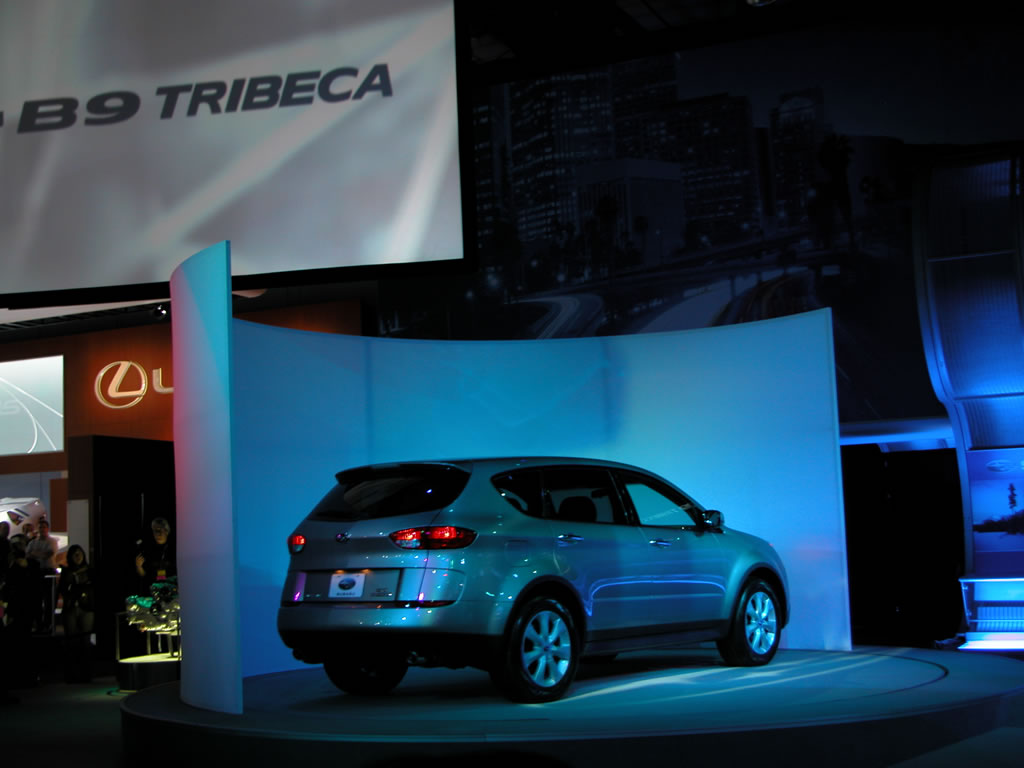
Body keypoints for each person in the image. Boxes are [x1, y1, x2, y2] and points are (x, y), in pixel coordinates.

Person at [58, 545, 95, 682]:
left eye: (80, 554)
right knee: (71, 641)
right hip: (71, 607)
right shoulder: (67, 572)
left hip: (86, 607)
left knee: (86, 640)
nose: (78, 557)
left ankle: (86, 673)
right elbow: (63, 589)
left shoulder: (89, 570)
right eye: (75, 554)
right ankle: (71, 674)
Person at [26, 518, 58, 632]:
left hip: (48, 572)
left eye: (44, 527)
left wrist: (35, 554)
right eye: (40, 527)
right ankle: (39, 624)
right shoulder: (32, 542)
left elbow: (48, 554)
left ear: (47, 529)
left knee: (49, 600)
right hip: (36, 573)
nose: (42, 529)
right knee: (36, 599)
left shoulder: (52, 541)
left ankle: (48, 624)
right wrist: (40, 554)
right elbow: (28, 555)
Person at [135, 518, 176, 593]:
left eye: (160, 530)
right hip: (152, 591)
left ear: (167, 531)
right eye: (155, 531)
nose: (157, 534)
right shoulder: (147, 550)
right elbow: (143, 576)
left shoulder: (174, 549)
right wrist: (139, 567)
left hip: (172, 590)